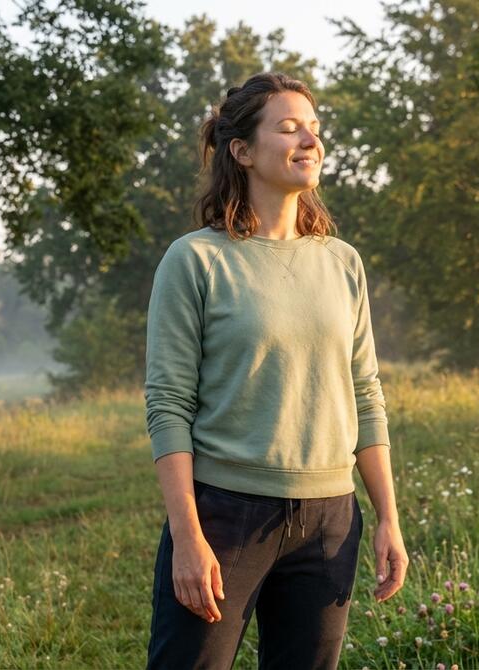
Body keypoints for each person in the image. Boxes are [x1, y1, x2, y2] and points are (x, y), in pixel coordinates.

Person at [144, 71, 408, 670]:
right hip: (226, 516)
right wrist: (188, 537)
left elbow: (366, 395)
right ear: (241, 151)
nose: (310, 141)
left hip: (330, 521)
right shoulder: (196, 260)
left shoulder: (342, 262)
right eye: (289, 128)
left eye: (314, 129)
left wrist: (388, 520)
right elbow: (168, 405)